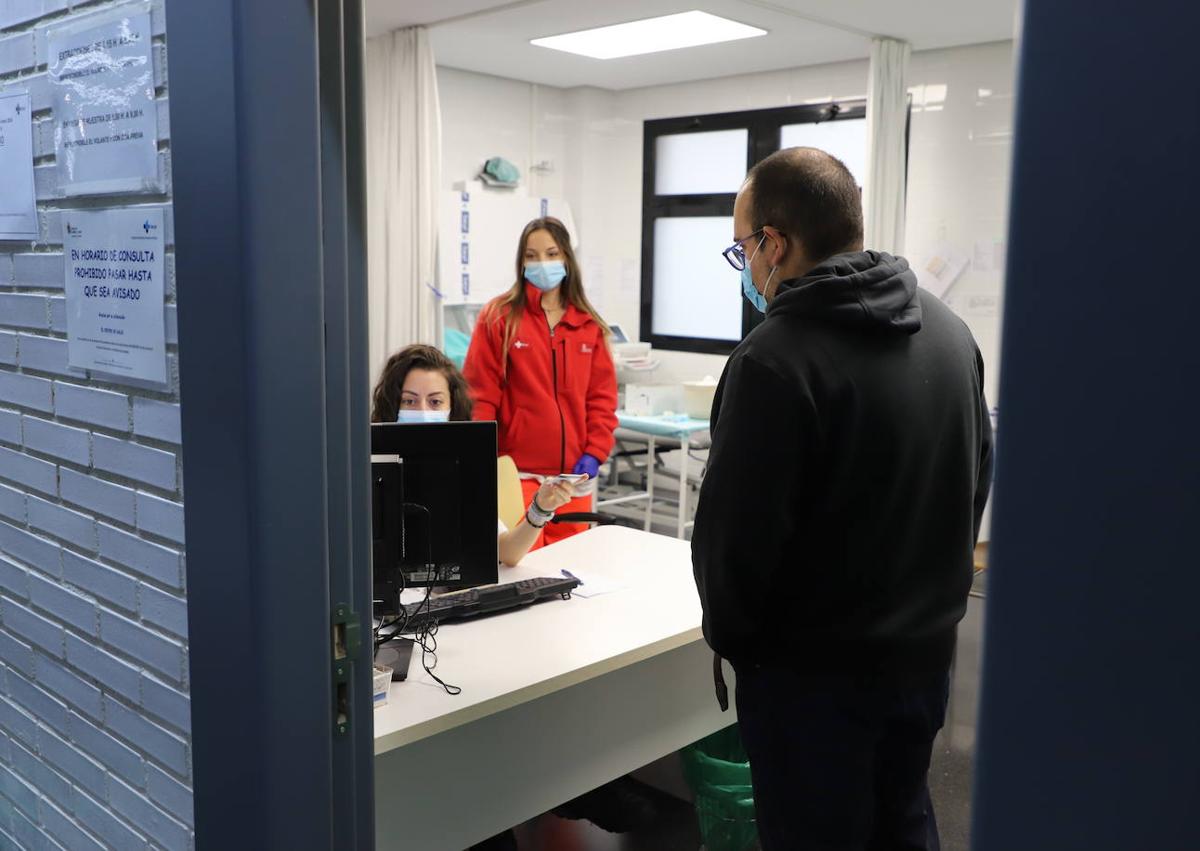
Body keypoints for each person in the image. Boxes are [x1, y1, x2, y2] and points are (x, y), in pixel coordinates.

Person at [691, 148, 994, 851]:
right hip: (924, 662)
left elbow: (735, 543)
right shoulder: (951, 335)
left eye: (743, 248)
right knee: (904, 817)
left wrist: (742, 649)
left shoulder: (774, 361)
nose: (747, 269)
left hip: (811, 687)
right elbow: (974, 480)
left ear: (775, 242)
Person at [463, 217, 618, 548]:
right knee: (520, 569)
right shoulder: (499, 317)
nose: (542, 263)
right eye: (531, 255)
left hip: (572, 482)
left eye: (550, 253)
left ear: (566, 257)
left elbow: (601, 400)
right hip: (517, 477)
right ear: (521, 262)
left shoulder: (589, 325)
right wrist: (480, 455)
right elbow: (481, 397)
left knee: (571, 572)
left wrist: (594, 453)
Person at [370, 344, 575, 566]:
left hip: (448, 597)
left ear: (452, 407)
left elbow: (507, 552)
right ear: (392, 404)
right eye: (409, 401)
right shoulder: (367, 466)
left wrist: (540, 509)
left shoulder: (463, 467)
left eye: (435, 402)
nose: (423, 412)